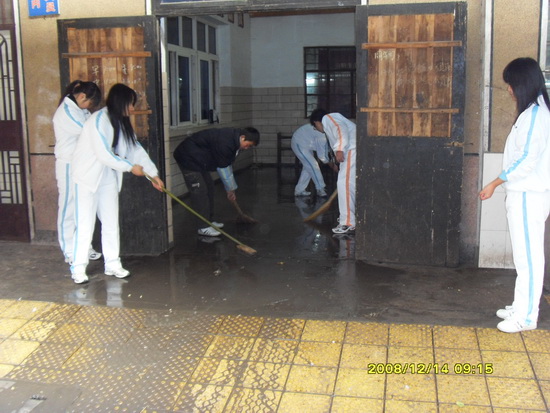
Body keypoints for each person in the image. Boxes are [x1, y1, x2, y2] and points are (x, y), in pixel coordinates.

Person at [479, 57, 550, 333]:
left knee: (528, 258)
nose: (508, 89)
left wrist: (495, 183)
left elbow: (525, 159)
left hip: (528, 194)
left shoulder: (535, 115)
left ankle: (526, 316)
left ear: (523, 83)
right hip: (525, 192)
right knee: (525, 256)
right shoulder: (534, 111)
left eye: (510, 84)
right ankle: (521, 306)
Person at [70, 83, 164, 284]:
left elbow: (135, 150)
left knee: (111, 222)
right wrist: (130, 167)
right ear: (119, 102)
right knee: (85, 224)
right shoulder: (98, 121)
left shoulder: (121, 123)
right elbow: (104, 154)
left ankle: (112, 263)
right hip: (86, 178)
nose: (132, 108)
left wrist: (153, 175)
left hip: (107, 177)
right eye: (130, 104)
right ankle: (78, 267)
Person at [173, 127, 260, 237]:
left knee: (210, 187)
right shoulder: (226, 142)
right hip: (187, 158)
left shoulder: (234, 141)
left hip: (199, 160)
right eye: (248, 145)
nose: (247, 148)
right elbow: (224, 169)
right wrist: (230, 189)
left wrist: (230, 189)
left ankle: (209, 220)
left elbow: (227, 164)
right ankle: (203, 227)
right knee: (200, 192)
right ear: (243, 138)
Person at [52, 80, 103, 265]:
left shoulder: (80, 110)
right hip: (68, 164)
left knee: (83, 207)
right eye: (89, 103)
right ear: (81, 96)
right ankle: (68, 250)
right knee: (68, 208)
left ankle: (83, 247)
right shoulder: (66, 112)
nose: (89, 107)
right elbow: (88, 131)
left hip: (81, 164)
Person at [310, 108, 356, 234]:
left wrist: (340, 149)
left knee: (344, 185)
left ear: (316, 122)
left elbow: (341, 130)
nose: (317, 129)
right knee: (348, 185)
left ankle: (348, 222)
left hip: (351, 150)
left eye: (315, 126)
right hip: (352, 150)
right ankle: (348, 217)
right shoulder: (332, 121)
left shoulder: (328, 118)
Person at [291, 123, 333, 197]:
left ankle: (299, 190)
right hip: (298, 143)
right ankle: (320, 188)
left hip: (307, 144)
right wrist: (330, 164)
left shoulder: (327, 134)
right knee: (313, 165)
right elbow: (322, 156)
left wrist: (331, 160)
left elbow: (326, 150)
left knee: (308, 167)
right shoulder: (322, 135)